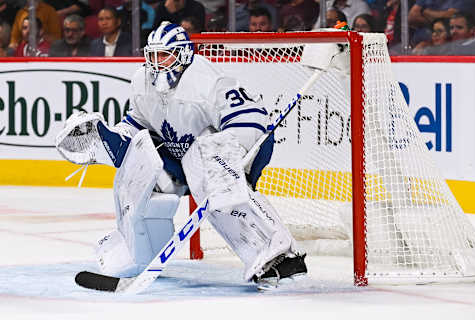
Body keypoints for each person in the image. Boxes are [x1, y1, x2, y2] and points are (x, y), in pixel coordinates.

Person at [59, 21, 307, 289]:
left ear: (184, 54)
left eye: (164, 55)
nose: (157, 63)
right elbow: (138, 126)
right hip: (184, 157)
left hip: (238, 148)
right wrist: (110, 139)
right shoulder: (142, 82)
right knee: (140, 173)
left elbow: (251, 120)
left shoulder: (208, 81)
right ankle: (139, 254)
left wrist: (228, 154)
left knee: (205, 166)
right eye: (152, 55)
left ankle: (279, 256)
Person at [407, 0, 475, 46]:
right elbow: (411, 17)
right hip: (417, 47)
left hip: (444, 46)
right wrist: (437, 23)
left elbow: (449, 16)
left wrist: (425, 12)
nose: (435, 33)